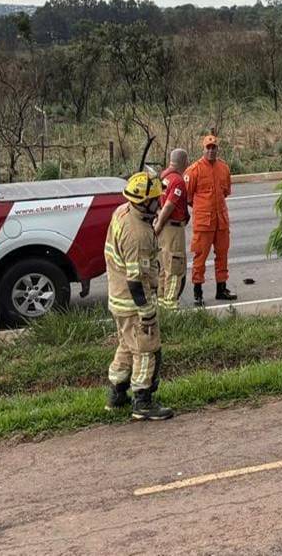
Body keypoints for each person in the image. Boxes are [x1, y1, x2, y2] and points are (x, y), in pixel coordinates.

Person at [104, 171, 173, 420]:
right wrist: (147, 313)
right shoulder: (139, 235)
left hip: (117, 298)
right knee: (146, 349)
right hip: (133, 303)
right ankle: (142, 401)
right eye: (156, 199)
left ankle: (117, 394)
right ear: (144, 202)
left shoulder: (121, 212)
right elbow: (136, 281)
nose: (160, 202)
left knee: (126, 345)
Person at [185, 134, 235, 305]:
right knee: (200, 257)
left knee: (222, 255)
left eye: (214, 148)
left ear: (217, 149)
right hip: (203, 223)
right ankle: (197, 292)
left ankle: (221, 289)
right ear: (203, 149)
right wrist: (203, 209)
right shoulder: (194, 170)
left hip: (221, 220)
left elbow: (226, 192)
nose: (211, 151)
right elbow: (188, 197)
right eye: (209, 147)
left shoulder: (224, 168)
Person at [155, 148, 189, 312]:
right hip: (172, 229)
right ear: (184, 162)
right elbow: (169, 205)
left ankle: (161, 302)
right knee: (175, 267)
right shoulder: (178, 181)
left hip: (163, 230)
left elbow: (158, 203)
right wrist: (159, 225)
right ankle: (170, 306)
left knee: (163, 267)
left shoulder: (163, 177)